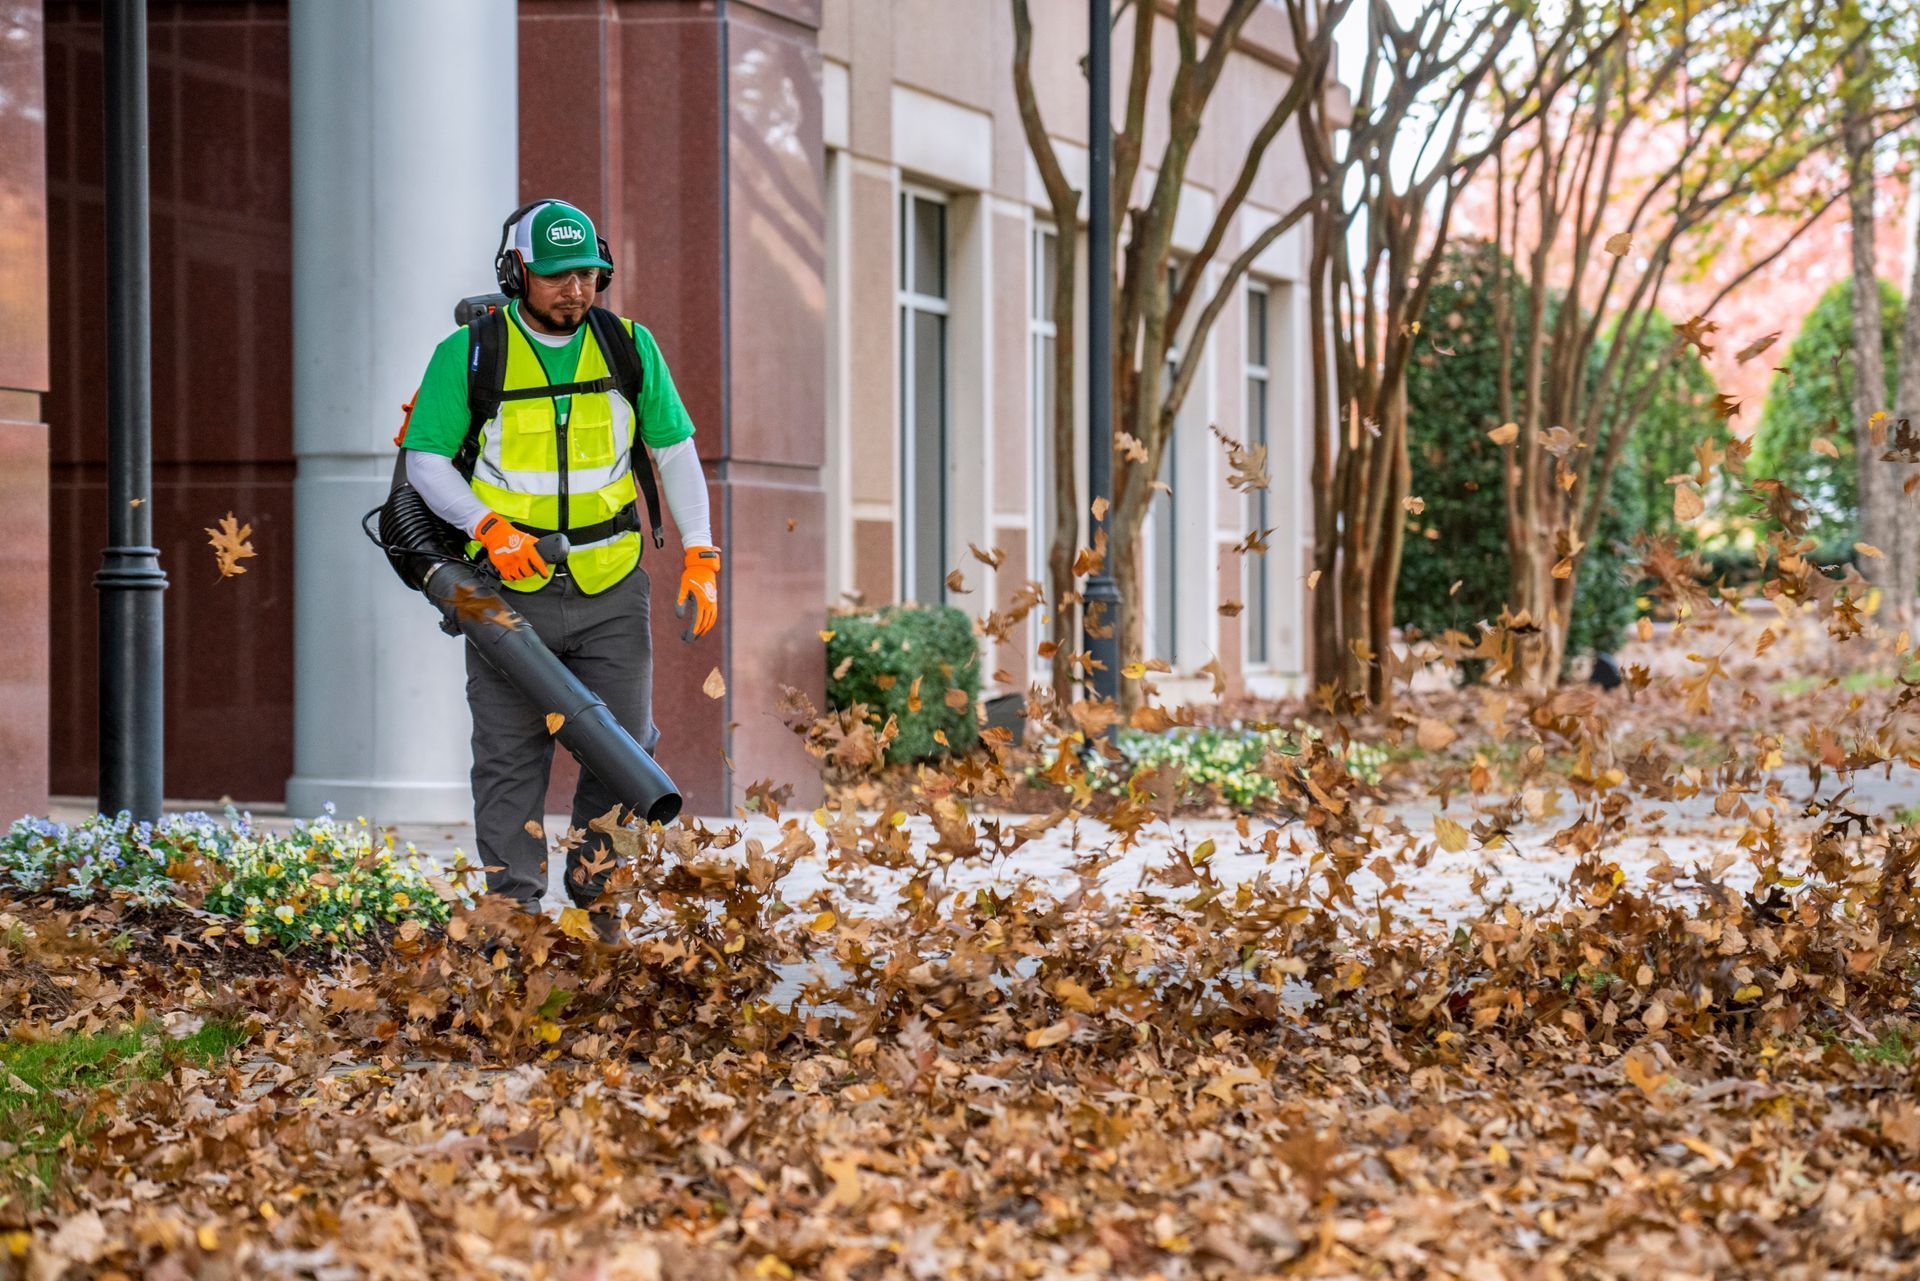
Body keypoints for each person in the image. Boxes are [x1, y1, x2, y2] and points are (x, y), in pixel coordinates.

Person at [397, 198, 719, 919]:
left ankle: (597, 892)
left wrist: (702, 554)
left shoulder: (630, 345)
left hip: (612, 584)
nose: (577, 289)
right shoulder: (470, 354)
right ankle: (513, 913)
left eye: (589, 274)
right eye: (557, 275)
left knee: (626, 744)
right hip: (503, 589)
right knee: (510, 756)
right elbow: (424, 463)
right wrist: (490, 530)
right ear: (516, 273)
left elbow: (675, 453)